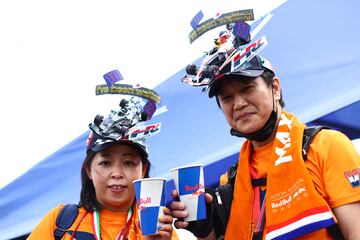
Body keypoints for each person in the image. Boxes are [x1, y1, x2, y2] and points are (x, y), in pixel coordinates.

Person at [171, 54, 360, 239]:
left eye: (247, 88)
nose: (238, 104)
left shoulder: (326, 146)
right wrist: (205, 231)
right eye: (227, 97)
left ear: (275, 88)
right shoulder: (231, 179)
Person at [28, 98, 176, 240]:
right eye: (105, 163)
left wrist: (200, 235)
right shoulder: (60, 221)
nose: (117, 174)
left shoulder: (159, 225)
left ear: (143, 170)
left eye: (129, 163)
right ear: (88, 170)